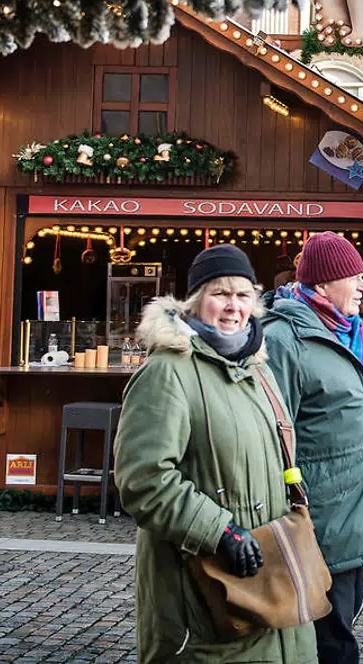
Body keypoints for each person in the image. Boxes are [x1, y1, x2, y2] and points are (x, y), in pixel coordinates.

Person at [113, 245, 316, 663]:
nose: (232, 306)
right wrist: (220, 531)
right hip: (203, 593)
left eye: (242, 295)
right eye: (219, 294)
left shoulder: (257, 369)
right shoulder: (167, 371)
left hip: (269, 583)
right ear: (193, 302)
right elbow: (145, 480)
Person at [264, 232, 363, 663]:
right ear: (323, 285)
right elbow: (274, 431)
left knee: (343, 617)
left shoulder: (356, 333)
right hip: (318, 516)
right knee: (330, 638)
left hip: (360, 509)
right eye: (354, 277)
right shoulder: (282, 339)